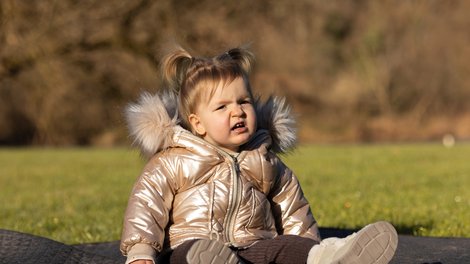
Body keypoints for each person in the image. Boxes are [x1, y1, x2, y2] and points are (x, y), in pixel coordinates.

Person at [120, 42, 398, 264]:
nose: (237, 111)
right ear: (197, 123)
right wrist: (141, 250)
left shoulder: (266, 162)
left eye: (244, 101)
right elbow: (147, 203)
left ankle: (330, 257)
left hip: (254, 249)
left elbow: (293, 210)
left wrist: (305, 246)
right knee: (193, 253)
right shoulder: (174, 161)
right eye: (222, 107)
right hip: (189, 248)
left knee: (285, 247)